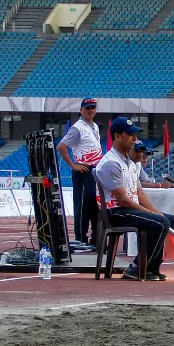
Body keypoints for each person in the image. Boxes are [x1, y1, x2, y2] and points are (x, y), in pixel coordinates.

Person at [95, 117, 174, 281]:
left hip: (128, 210)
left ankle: (150, 267)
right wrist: (152, 213)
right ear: (117, 136)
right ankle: (137, 268)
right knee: (160, 222)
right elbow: (123, 200)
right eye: (130, 135)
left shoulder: (131, 163)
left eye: (135, 135)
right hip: (115, 212)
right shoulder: (111, 163)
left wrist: (156, 212)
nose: (135, 139)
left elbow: (139, 194)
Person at [57, 98, 102, 247]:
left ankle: (95, 238)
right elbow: (61, 147)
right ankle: (80, 239)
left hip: (95, 170)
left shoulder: (94, 126)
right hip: (83, 170)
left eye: (93, 108)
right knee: (82, 206)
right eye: (88, 108)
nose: (91, 110)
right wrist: (73, 165)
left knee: (95, 204)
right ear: (81, 110)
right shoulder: (77, 128)